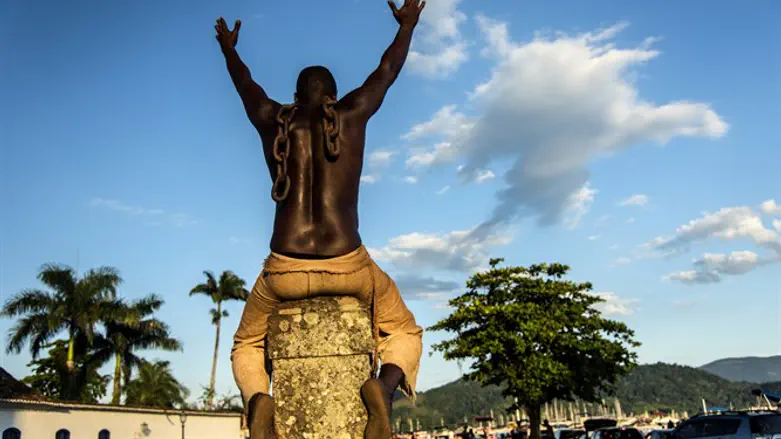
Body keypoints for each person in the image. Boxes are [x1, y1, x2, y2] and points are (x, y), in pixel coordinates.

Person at [217, 1, 427, 438]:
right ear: (333, 96)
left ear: (295, 98)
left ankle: (260, 401)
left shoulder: (273, 120)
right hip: (350, 266)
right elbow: (386, 72)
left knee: (246, 344)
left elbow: (246, 86)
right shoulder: (350, 114)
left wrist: (229, 49)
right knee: (404, 329)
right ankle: (383, 391)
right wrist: (407, 26)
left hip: (283, 273)